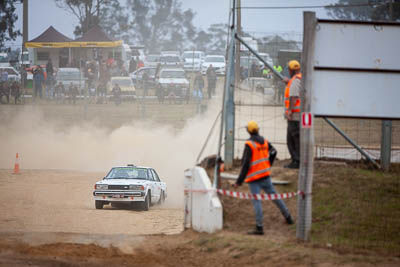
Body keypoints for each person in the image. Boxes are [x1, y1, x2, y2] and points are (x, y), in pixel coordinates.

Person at [233, 121, 294, 235]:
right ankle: (288, 217)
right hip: (265, 175)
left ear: (248, 131)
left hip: (254, 178)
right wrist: (268, 164)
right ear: (258, 129)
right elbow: (274, 151)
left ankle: (259, 227)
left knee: (257, 202)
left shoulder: (250, 144)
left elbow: (245, 164)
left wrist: (238, 182)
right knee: (275, 197)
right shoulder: (264, 141)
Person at [284, 60, 302, 169]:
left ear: (291, 70)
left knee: (292, 139)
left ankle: (296, 161)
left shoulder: (295, 81)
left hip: (295, 115)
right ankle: (297, 160)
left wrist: (290, 110)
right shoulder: (300, 78)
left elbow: (293, 97)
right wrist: (288, 82)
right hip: (299, 115)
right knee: (296, 139)